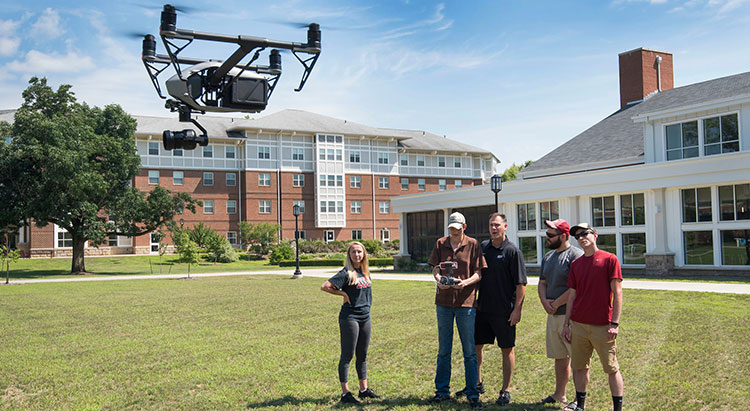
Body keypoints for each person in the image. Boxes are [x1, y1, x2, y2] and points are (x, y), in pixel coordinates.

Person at [460, 212, 526, 406]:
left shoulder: (513, 251)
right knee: (476, 347)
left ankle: (505, 390)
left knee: (507, 349)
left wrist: (517, 310)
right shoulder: (483, 248)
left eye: (497, 225)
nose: (494, 228)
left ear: (505, 227)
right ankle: (477, 383)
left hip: (505, 311)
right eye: (491, 225)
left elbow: (521, 284)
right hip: (482, 309)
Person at [426, 212, 486, 409]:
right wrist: (439, 280)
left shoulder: (473, 244)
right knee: (444, 350)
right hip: (443, 302)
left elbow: (478, 273)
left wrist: (465, 283)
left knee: (469, 351)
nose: (454, 232)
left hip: (466, 303)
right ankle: (442, 391)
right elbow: (435, 268)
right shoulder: (440, 243)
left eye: (457, 229)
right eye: (451, 229)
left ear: (464, 227)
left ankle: (472, 392)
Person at [561, 223, 624, 411]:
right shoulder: (576, 264)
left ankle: (617, 408)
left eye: (584, 233)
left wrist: (615, 323)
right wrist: (566, 324)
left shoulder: (609, 259)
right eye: (577, 236)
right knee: (579, 367)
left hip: (603, 327)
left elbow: (618, 292)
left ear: (595, 235)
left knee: (611, 369)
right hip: (578, 325)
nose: (581, 238)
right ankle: (580, 405)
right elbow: (572, 295)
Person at [320, 241, 380, 404]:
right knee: (347, 355)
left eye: (359, 252)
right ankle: (345, 393)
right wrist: (343, 295)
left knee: (363, 355)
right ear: (349, 255)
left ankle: (363, 390)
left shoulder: (365, 272)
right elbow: (325, 286)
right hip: (350, 317)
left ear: (364, 254)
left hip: (365, 317)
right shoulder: (346, 272)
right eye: (353, 252)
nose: (357, 255)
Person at [537, 219, 583, 407]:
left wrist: (555, 303)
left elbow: (577, 288)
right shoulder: (548, 257)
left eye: (550, 235)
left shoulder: (576, 256)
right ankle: (559, 394)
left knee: (578, 359)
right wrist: (544, 301)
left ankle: (577, 399)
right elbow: (542, 282)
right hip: (553, 315)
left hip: (571, 316)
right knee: (559, 357)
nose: (546, 238)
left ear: (563, 236)